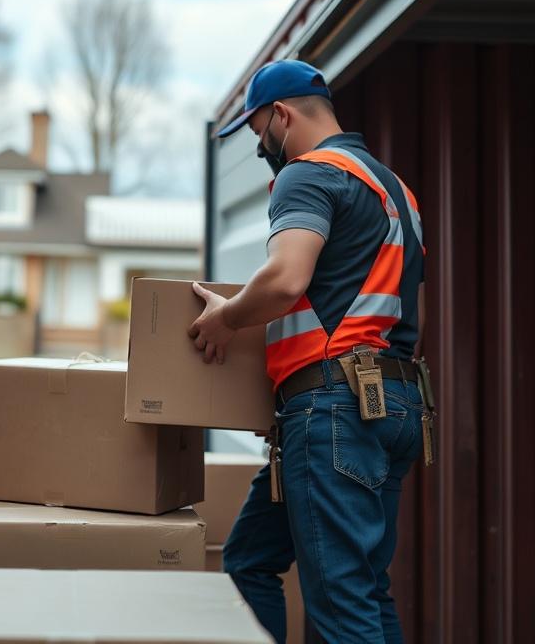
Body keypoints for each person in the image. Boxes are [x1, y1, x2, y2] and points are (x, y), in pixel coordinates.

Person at [188, 60, 426, 643]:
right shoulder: (394, 190)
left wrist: (226, 319)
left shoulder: (308, 173)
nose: (259, 144)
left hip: (336, 408)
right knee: (257, 560)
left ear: (283, 116)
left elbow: (286, 278)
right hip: (389, 404)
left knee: (344, 601)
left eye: (257, 130)